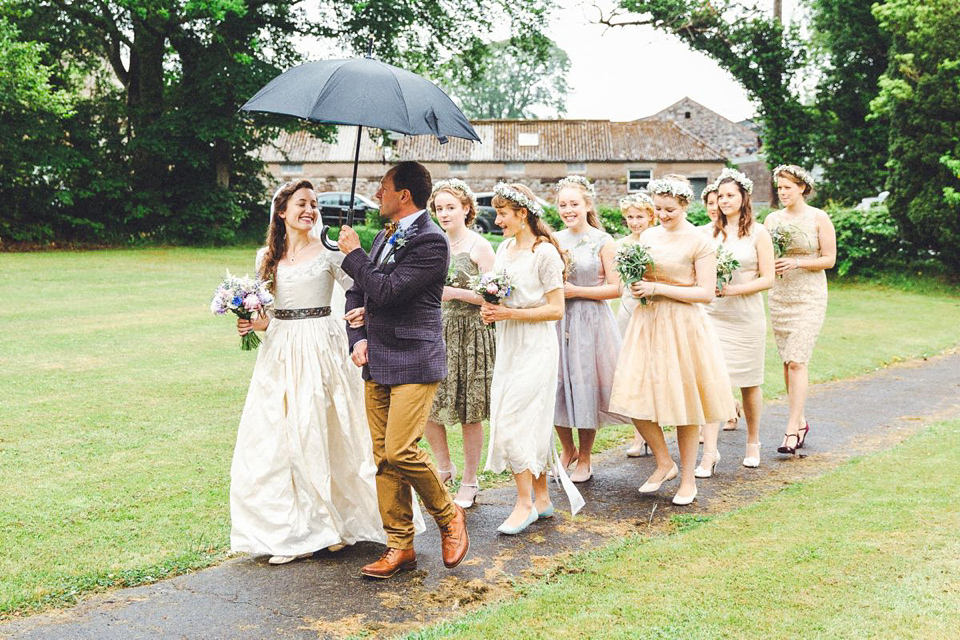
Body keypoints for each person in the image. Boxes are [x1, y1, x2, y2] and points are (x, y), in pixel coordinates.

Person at [231, 180, 386, 565]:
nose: (310, 210)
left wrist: (363, 314)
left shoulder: (330, 253)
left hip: (321, 348)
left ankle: (334, 524)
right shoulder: (266, 257)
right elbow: (269, 316)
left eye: (314, 204)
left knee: (322, 432)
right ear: (281, 211)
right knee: (279, 438)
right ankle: (295, 529)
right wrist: (251, 322)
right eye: (302, 203)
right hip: (281, 352)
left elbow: (361, 291)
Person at [337, 161, 469, 579]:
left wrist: (354, 254)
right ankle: (400, 546)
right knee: (383, 460)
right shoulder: (384, 235)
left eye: (383, 187)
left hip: (414, 357)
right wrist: (357, 339)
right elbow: (358, 291)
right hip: (375, 355)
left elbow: (388, 291)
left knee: (400, 450)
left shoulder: (432, 241)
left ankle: (448, 516)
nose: (378, 194)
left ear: (404, 195)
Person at [609, 175, 736, 506]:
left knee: (684, 404)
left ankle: (689, 479)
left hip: (682, 326)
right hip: (646, 322)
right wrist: (637, 283)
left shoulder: (700, 241)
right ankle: (664, 462)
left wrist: (658, 289)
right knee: (632, 394)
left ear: (684, 205)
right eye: (658, 209)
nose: (662, 215)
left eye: (669, 210)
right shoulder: (648, 235)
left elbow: (705, 293)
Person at [481, 183, 584, 535]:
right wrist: (491, 309)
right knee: (525, 421)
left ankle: (522, 504)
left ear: (522, 214)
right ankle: (541, 500)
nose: (497, 221)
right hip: (509, 345)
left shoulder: (545, 254)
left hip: (537, 346)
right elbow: (499, 291)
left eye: (503, 214)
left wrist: (510, 315)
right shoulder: (505, 248)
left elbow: (556, 309)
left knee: (513, 424)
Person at [696, 169, 775, 476]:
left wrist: (735, 289)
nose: (725, 201)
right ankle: (710, 453)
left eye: (731, 195)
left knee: (749, 383)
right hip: (712, 315)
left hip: (746, 316)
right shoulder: (706, 233)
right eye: (721, 196)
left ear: (744, 198)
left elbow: (768, 278)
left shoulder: (758, 233)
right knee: (711, 382)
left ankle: (753, 442)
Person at [424, 179, 496, 509]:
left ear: (466, 208)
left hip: (472, 334)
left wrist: (454, 293)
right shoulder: (432, 243)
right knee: (428, 405)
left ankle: (470, 479)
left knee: (470, 410)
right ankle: (444, 467)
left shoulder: (480, 246)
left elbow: (495, 294)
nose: (444, 214)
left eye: (451, 207)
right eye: (439, 208)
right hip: (436, 331)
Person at [553, 176, 630, 482]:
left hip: (591, 322)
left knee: (585, 386)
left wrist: (577, 292)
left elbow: (616, 289)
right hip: (559, 320)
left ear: (587, 205)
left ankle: (585, 457)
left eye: (574, 204)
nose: (568, 210)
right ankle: (567, 447)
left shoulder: (603, 240)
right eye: (562, 205)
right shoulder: (554, 239)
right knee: (555, 385)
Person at [764, 165, 837, 455]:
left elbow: (829, 259)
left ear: (802, 188)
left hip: (809, 295)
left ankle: (791, 430)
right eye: (779, 188)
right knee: (787, 362)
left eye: (787, 188)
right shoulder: (771, 220)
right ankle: (802, 420)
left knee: (797, 360)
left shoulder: (819, 217)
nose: (782, 193)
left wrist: (796, 262)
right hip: (780, 295)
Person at [615, 192, 655, 458]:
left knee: (652, 371)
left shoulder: (657, 240)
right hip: (629, 308)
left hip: (653, 308)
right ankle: (638, 436)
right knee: (632, 373)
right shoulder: (621, 244)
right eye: (630, 217)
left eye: (639, 216)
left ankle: (654, 430)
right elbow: (618, 281)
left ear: (650, 216)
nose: (634, 222)